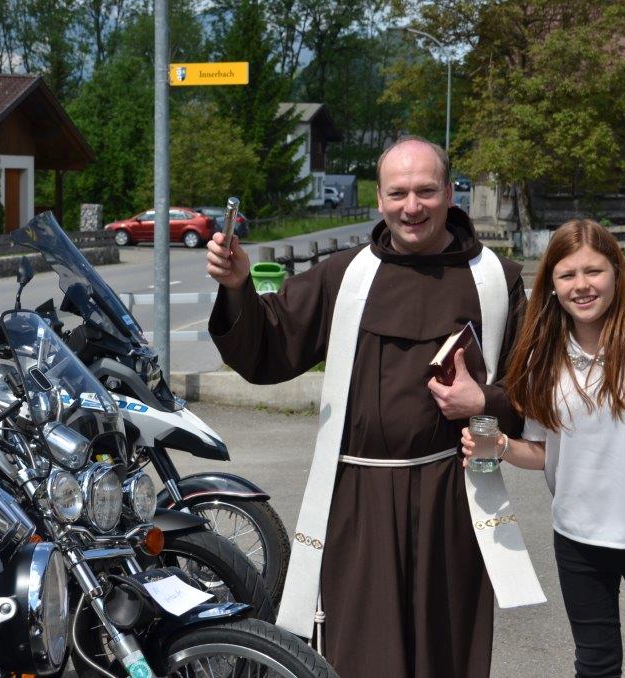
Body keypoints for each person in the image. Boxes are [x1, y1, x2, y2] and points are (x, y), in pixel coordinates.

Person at [205, 136, 526, 677]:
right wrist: (238, 286)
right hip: (359, 498)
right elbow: (272, 346)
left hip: (454, 497)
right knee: (362, 653)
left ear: (450, 194)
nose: (412, 206)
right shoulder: (345, 275)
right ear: (379, 199)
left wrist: (484, 402)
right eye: (397, 193)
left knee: (447, 650)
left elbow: (531, 391)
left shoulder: (495, 280)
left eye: (426, 191)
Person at [461, 219, 625, 677]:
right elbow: (543, 453)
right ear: (552, 285)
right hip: (577, 541)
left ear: (616, 272)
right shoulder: (541, 359)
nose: (582, 285)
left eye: (594, 271)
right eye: (568, 274)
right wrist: (500, 446)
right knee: (594, 666)